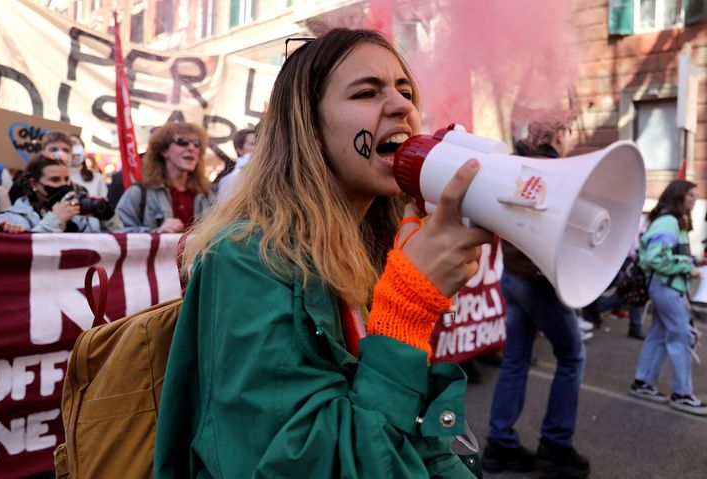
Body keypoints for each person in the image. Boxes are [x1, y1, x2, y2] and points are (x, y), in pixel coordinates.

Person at [154, 28, 494, 478]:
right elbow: (297, 464)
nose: (402, 107)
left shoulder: (376, 246)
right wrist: (407, 311)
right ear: (309, 130)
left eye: (405, 91)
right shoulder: (247, 258)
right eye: (367, 92)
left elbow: (409, 440)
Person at [482, 119, 590, 478]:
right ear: (556, 135)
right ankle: (556, 447)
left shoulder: (515, 169)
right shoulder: (553, 172)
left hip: (511, 278)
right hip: (539, 282)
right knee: (572, 356)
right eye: (565, 133)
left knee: (515, 360)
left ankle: (501, 445)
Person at [629, 180, 707, 415]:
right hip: (667, 288)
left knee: (660, 335)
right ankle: (682, 394)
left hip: (664, 287)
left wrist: (694, 261)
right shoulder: (669, 221)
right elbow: (656, 258)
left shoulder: (669, 220)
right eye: (690, 195)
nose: (694, 200)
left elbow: (662, 255)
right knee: (681, 337)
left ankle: (643, 382)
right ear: (678, 196)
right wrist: (688, 266)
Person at [116, 122, 215, 233]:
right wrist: (157, 232)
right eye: (183, 142)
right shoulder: (139, 193)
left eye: (197, 144)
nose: (192, 148)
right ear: (164, 150)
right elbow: (117, 232)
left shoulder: (208, 194)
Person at [0, 154, 123, 233]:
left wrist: (108, 217)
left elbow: (116, 246)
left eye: (66, 179)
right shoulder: (11, 219)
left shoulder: (80, 213)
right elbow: (26, 255)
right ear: (34, 184)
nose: (63, 185)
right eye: (55, 180)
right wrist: (56, 220)